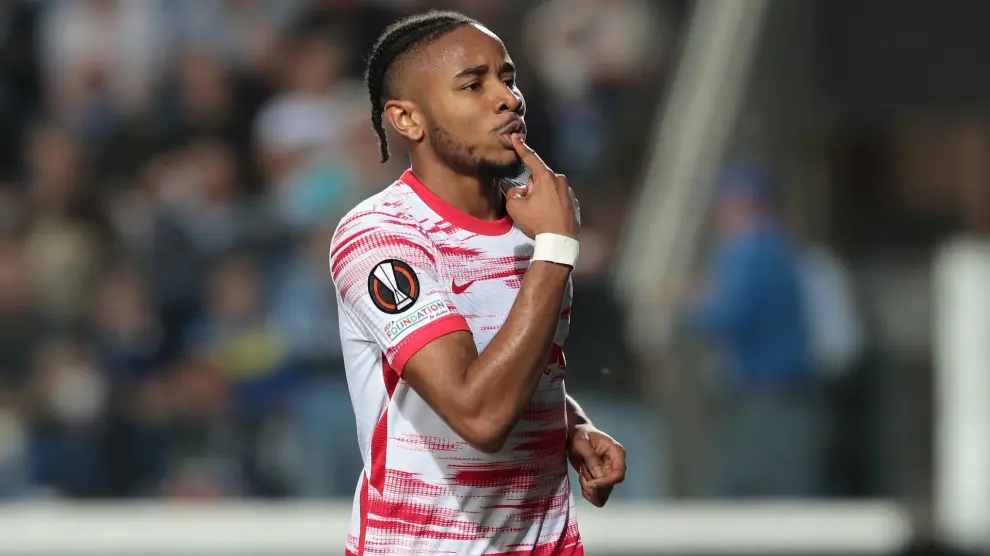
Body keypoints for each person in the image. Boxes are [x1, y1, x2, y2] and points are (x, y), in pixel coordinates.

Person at [328, 10, 626, 556]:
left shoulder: (534, 227)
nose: (508, 99)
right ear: (407, 119)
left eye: (508, 79)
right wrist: (556, 252)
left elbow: (522, 361)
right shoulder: (381, 236)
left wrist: (570, 423)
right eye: (473, 84)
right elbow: (479, 414)